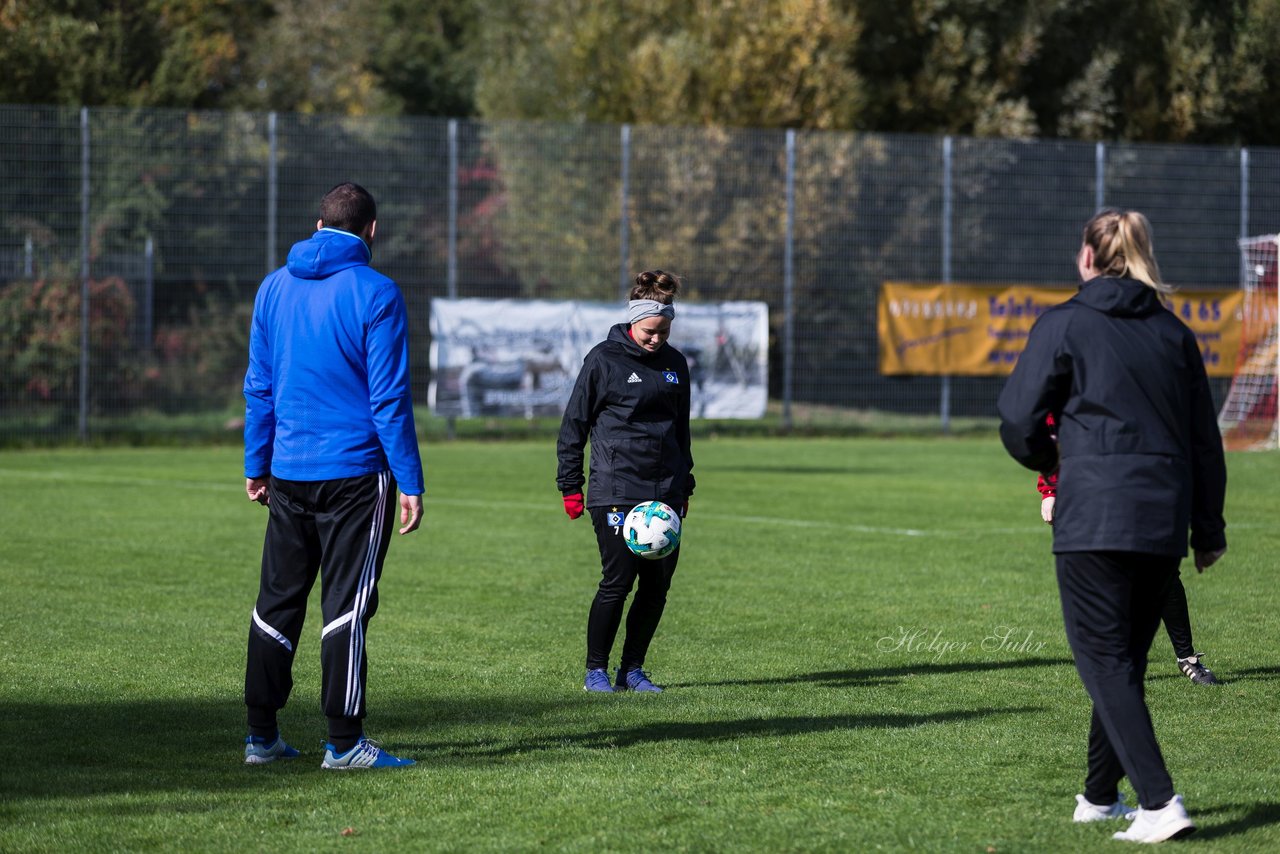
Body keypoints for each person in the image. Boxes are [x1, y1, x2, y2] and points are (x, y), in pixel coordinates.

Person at [997, 208, 1227, 843]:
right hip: (1162, 518)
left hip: (1093, 515)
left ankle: (1159, 803)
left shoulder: (1065, 323)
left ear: (1087, 259)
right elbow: (1205, 442)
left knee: (1105, 662)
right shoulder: (1175, 334)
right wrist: (1208, 529)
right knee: (1123, 658)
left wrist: (1053, 464)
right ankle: (1100, 797)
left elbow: (1017, 419)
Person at [241, 182, 424, 769]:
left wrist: (256, 462)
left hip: (288, 471)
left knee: (276, 603)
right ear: (371, 230)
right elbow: (389, 397)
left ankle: (260, 738)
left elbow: (259, 387)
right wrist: (411, 480)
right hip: (355, 475)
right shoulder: (377, 292)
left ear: (317, 223)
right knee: (347, 605)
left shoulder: (274, 286)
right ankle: (344, 744)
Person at [556, 270, 695, 694]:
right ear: (634, 321)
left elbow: (681, 428)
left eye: (664, 332)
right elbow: (574, 425)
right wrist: (570, 486)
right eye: (651, 331)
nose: (657, 339)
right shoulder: (603, 360)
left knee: (656, 588)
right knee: (617, 582)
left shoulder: (675, 364)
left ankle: (632, 671)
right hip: (616, 489)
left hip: (665, 492)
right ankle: (595, 671)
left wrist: (684, 484)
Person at [1035, 416, 1218, 686]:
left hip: (1142, 482)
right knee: (1098, 576)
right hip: (1086, 491)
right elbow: (1051, 430)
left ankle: (1186, 658)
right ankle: (1113, 661)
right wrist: (1050, 489)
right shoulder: (1076, 381)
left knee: (1163, 572)